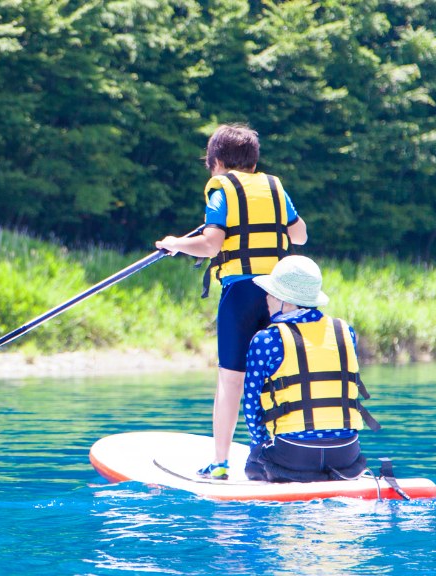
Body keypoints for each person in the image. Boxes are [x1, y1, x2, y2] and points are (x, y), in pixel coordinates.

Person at [156, 124, 307, 479]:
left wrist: (174, 243)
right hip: (280, 296)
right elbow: (299, 235)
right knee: (280, 375)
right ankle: (287, 452)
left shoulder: (221, 188)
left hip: (241, 293)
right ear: (254, 162)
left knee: (231, 380)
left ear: (218, 162)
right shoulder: (275, 186)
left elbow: (210, 245)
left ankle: (221, 463)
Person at [243, 255, 380, 482]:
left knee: (254, 465)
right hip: (346, 455)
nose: (266, 297)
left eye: (273, 293)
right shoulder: (346, 332)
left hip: (293, 455)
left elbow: (251, 405)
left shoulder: (266, 339)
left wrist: (259, 451)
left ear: (287, 301)